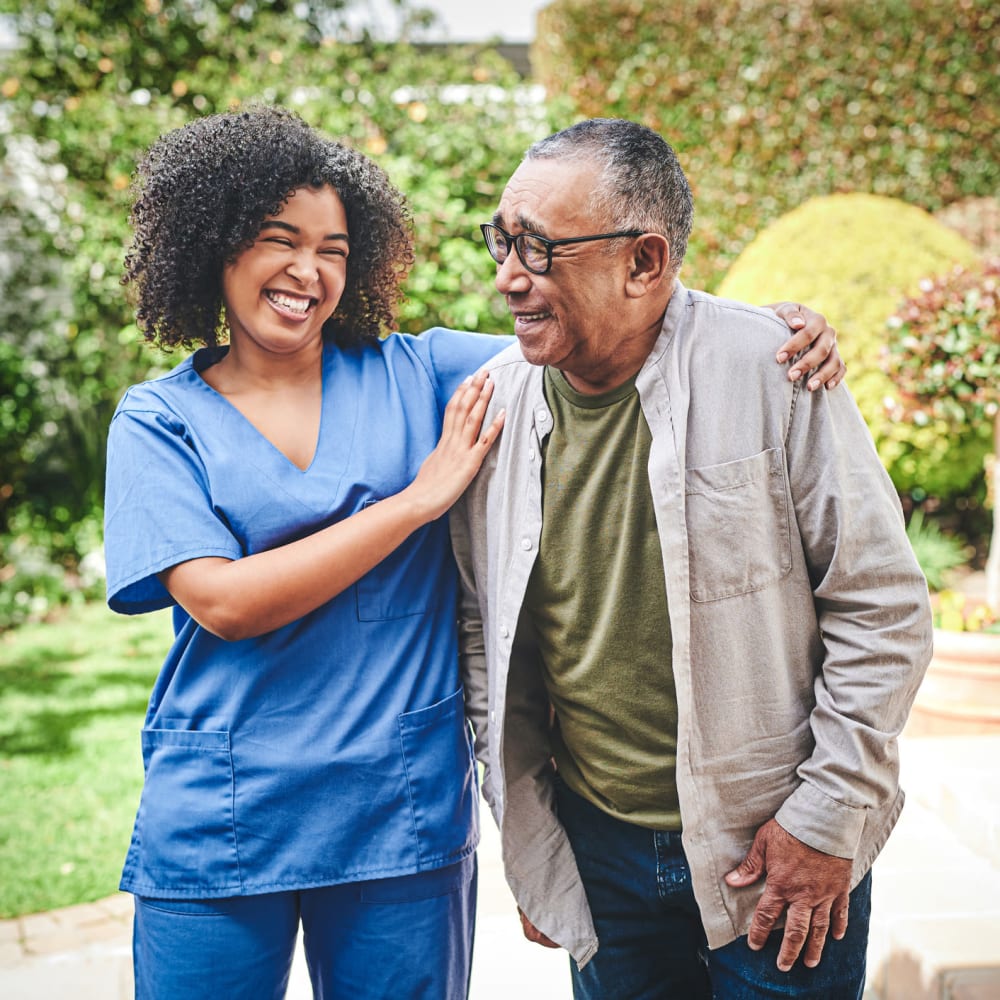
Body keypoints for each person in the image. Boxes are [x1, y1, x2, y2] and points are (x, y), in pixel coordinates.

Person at [103, 105, 841, 1000]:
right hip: (221, 822)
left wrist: (769, 331)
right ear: (214, 247)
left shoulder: (429, 373)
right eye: (278, 239)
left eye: (334, 249)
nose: (308, 270)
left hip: (396, 820)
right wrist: (417, 503)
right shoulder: (158, 420)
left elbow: (618, 323)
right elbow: (220, 602)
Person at [450, 117, 933, 1000]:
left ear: (645, 262)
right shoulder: (493, 408)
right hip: (598, 852)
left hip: (777, 848)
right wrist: (535, 841)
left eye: (540, 249)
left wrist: (827, 818)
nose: (507, 276)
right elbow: (487, 631)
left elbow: (884, 608)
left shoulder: (774, 368)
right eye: (504, 239)